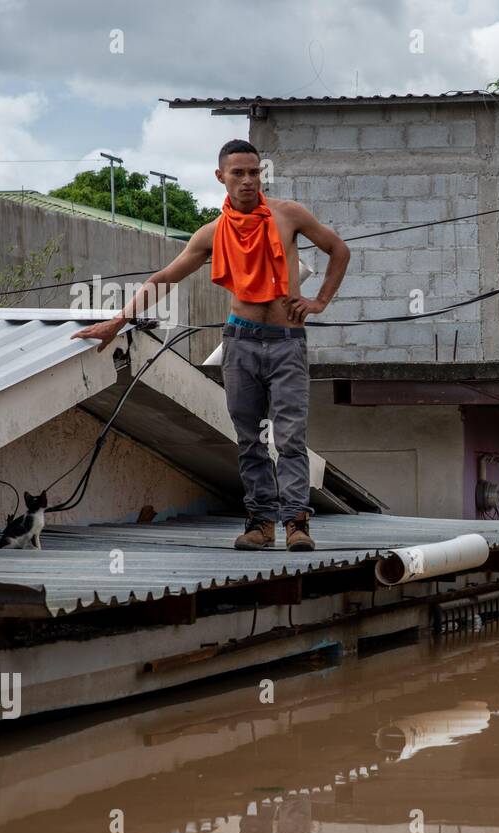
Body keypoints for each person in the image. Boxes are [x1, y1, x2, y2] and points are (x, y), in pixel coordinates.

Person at [72, 139, 350, 551]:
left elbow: (338, 250)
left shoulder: (287, 215)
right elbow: (164, 278)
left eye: (254, 172)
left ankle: (296, 524)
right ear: (221, 177)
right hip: (240, 341)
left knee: (290, 437)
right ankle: (259, 524)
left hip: (287, 341)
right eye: (237, 173)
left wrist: (320, 301)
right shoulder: (213, 232)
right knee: (249, 437)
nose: (247, 180)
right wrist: (118, 320)